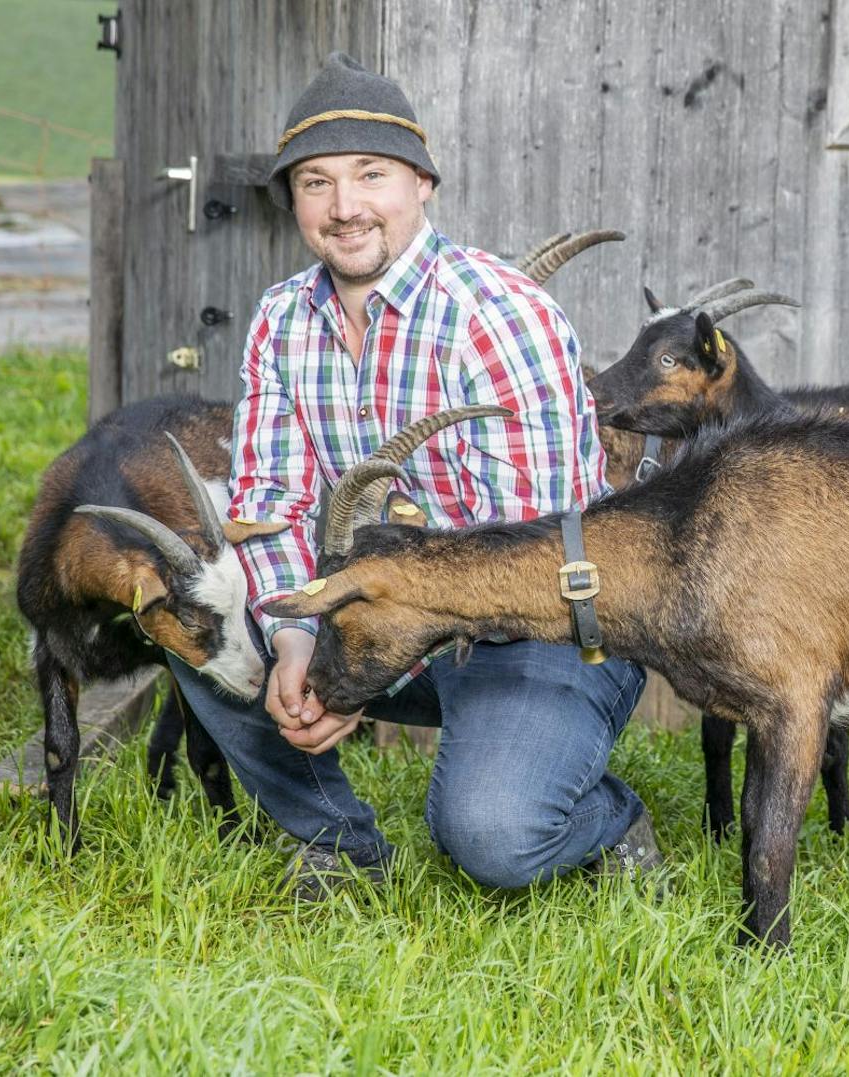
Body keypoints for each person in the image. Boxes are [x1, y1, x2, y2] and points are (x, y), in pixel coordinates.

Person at [166, 52, 660, 899]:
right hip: (377, 619)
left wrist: (358, 673)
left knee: (494, 838)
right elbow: (271, 505)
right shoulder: (284, 319)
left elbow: (519, 560)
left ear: (423, 183)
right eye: (316, 183)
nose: (345, 206)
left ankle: (608, 816)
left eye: (372, 175)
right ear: (292, 201)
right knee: (190, 611)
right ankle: (336, 839)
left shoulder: (496, 316)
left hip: (540, 629)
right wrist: (295, 641)